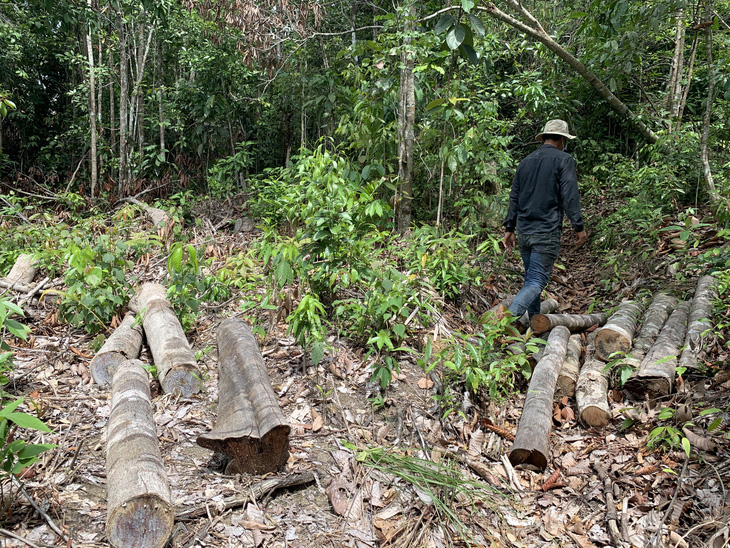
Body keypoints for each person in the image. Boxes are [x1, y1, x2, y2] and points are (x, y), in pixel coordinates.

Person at [502, 119, 587, 321]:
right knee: (536, 281)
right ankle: (505, 323)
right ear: (562, 140)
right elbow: (570, 195)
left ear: (545, 137)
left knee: (531, 279)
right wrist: (579, 226)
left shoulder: (525, 162)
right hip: (546, 230)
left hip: (524, 231)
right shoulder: (564, 160)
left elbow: (514, 196)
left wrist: (510, 227)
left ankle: (534, 324)